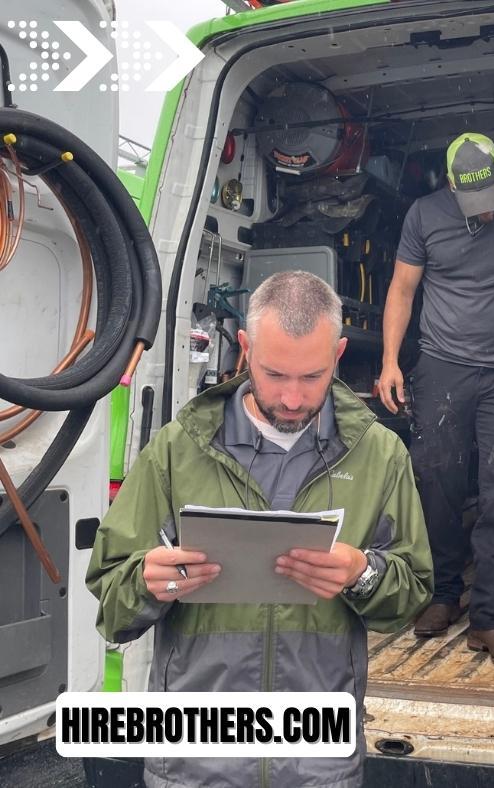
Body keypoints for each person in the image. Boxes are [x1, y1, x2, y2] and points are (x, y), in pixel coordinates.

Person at [86, 271, 433, 788]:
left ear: (338, 354)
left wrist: (362, 575)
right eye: (275, 375)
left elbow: (411, 596)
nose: (293, 398)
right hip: (193, 765)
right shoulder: (177, 451)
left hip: (319, 766)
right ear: (245, 349)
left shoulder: (380, 456)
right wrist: (146, 582)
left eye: (312, 377)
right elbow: (112, 609)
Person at [378, 133, 494, 667]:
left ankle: (489, 618)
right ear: (452, 186)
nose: (485, 214)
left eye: (491, 201)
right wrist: (390, 361)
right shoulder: (424, 215)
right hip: (441, 365)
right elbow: (401, 290)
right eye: (473, 206)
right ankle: (444, 593)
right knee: (436, 480)